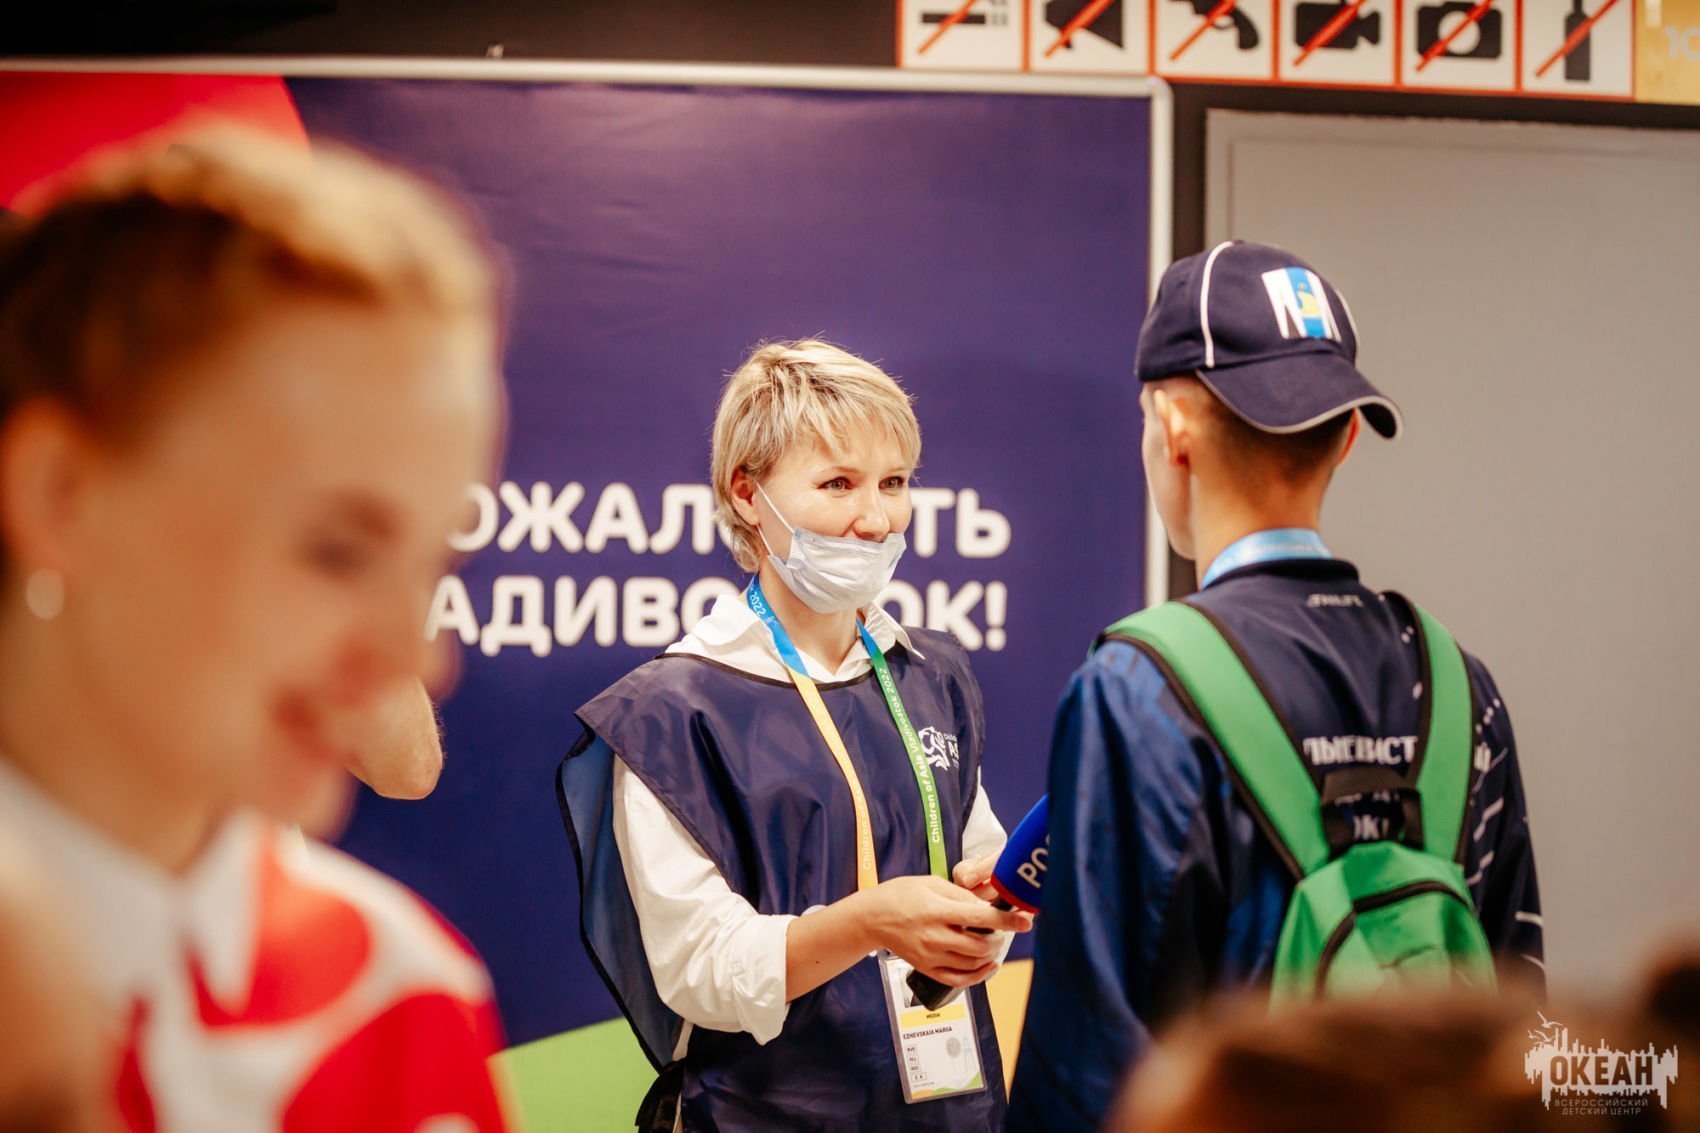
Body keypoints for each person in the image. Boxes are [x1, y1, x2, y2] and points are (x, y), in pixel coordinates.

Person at [0, 130, 511, 1129]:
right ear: (61, 494)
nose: (420, 658)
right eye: (334, 549)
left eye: (429, 566)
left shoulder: (400, 996)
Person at [1007, 241, 1543, 1131]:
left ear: (1172, 425)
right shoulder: (1458, 683)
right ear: (1347, 435)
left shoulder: (1137, 688)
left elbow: (1085, 1072)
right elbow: (1518, 1019)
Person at [559, 340, 1031, 1131]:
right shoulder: (673, 711)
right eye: (838, 483)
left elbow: (972, 856)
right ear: (747, 494)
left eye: (894, 482)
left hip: (948, 1106)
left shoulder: (932, 673)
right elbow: (699, 969)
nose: (875, 518)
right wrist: (869, 921)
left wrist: (983, 916)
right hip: (765, 1112)